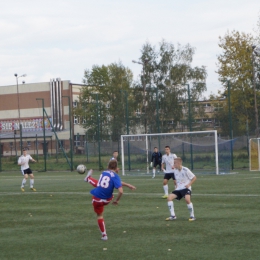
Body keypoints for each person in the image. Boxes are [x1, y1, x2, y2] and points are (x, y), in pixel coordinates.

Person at [84, 160, 136, 241]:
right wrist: (117, 200)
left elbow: (109, 179)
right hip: (107, 200)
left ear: (108, 166)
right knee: (106, 190)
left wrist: (126, 184)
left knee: (99, 215)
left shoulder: (104, 173)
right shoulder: (115, 176)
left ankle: (104, 235)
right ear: (116, 168)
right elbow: (120, 191)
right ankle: (88, 178)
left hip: (96, 199)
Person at [165, 157, 197, 221]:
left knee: (187, 200)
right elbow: (177, 180)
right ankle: (173, 215)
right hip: (179, 189)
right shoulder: (175, 171)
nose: (174, 164)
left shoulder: (186, 170)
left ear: (179, 163)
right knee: (169, 198)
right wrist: (176, 186)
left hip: (186, 188)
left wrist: (189, 184)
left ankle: (192, 216)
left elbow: (194, 178)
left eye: (175, 163)